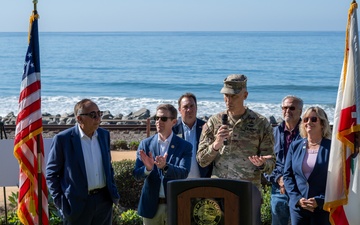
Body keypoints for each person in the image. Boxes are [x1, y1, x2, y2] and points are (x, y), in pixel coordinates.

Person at [46, 99, 120, 225]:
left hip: (104, 202)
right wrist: (62, 204)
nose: (98, 118)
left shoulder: (104, 135)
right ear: (79, 119)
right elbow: (51, 174)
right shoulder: (63, 139)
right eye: (93, 115)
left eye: (99, 113)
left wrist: (113, 192)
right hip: (76, 205)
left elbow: (108, 167)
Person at [196, 74, 275, 191]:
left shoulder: (261, 123)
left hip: (248, 191)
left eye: (234, 96)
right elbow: (201, 161)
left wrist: (262, 163)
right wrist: (216, 145)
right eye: (226, 95)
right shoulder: (214, 122)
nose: (229, 100)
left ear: (245, 95)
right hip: (220, 191)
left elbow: (271, 164)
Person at [133, 104, 192, 225]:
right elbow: (136, 174)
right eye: (157, 118)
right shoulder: (145, 144)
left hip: (174, 205)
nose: (159, 121)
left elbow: (184, 173)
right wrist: (147, 169)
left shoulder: (185, 146)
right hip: (151, 207)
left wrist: (165, 167)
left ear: (174, 121)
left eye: (164, 118)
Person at [283, 106, 332, 225]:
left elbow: (338, 179)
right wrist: (297, 199)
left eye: (314, 119)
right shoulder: (295, 146)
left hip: (322, 208)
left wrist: (320, 200)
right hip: (298, 208)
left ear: (322, 123)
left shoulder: (332, 147)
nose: (309, 122)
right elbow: (287, 176)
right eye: (305, 119)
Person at [264, 95, 303, 225]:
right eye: (284, 107)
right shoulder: (272, 133)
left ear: (300, 111)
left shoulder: (307, 133)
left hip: (301, 190)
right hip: (279, 189)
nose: (287, 111)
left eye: (292, 108)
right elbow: (265, 162)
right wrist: (278, 178)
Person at [173, 92, 213, 178]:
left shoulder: (206, 128)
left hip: (202, 180)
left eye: (192, 106)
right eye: (185, 107)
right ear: (179, 110)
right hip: (179, 181)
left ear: (196, 108)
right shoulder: (173, 130)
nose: (189, 110)